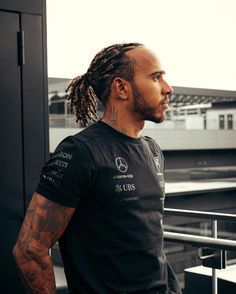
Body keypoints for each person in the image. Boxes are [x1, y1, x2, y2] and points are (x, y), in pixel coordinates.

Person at [13, 42, 182, 294]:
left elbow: (149, 241)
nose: (168, 89)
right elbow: (29, 249)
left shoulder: (153, 150)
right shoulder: (80, 152)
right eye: (156, 77)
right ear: (121, 88)